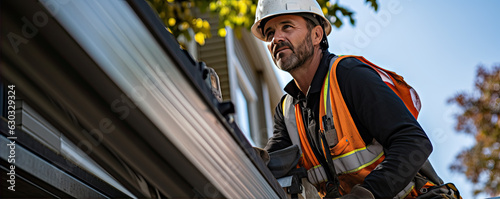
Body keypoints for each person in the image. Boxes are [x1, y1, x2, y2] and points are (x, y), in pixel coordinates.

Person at [250, 0, 453, 198]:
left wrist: (367, 194)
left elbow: (414, 143)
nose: (276, 39)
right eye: (269, 33)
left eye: (287, 27)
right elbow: (273, 164)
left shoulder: (349, 75)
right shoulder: (287, 111)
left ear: (316, 35)